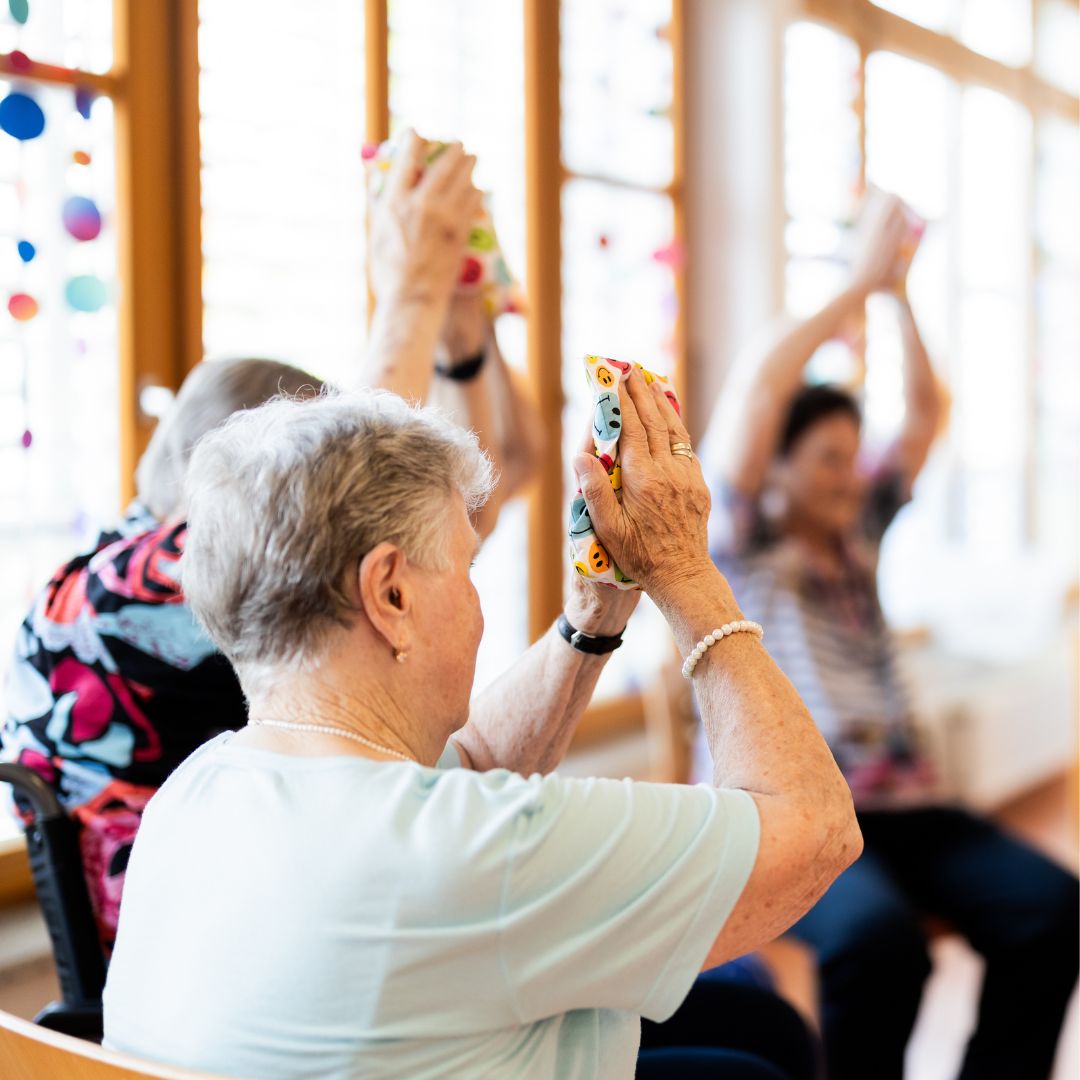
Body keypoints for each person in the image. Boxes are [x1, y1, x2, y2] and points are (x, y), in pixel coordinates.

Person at [102, 373, 862, 1079]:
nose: (476, 605)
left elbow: (467, 763)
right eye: (464, 569)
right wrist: (686, 572)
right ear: (390, 594)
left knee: (756, 1041)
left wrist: (590, 622)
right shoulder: (470, 852)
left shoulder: (194, 794)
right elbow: (815, 829)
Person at [0, 131, 540, 946]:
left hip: (268, 920)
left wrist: (463, 347)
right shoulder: (123, 591)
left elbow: (469, 514)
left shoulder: (140, 575)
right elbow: (341, 508)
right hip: (207, 969)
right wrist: (411, 286)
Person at [700, 192, 1079, 1080]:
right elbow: (760, 386)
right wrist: (852, 287)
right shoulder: (742, 543)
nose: (848, 476)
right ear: (777, 469)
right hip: (790, 818)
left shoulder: (859, 536)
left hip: (905, 809)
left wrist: (898, 295)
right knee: (882, 944)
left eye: (852, 455)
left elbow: (927, 408)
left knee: (1055, 908)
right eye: (826, 458)